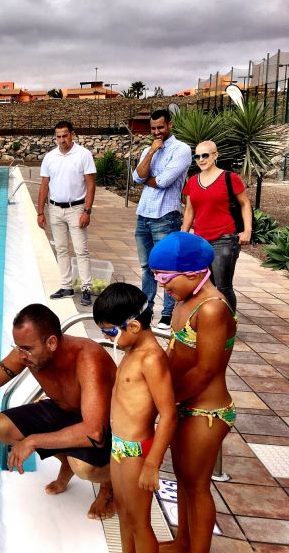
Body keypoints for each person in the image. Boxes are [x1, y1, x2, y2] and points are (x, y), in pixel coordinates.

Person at [0, 303, 117, 519]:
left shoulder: (88, 359)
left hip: (103, 425)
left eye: (27, 348)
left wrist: (33, 440)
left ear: (51, 342)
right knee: (2, 427)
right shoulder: (27, 354)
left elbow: (94, 432)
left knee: (84, 467)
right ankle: (66, 463)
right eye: (18, 347)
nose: (21, 355)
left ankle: (109, 486)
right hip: (63, 410)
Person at [148, 232, 237, 553]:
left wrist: (166, 400)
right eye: (157, 277)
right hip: (185, 405)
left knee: (197, 486)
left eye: (166, 278)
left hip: (206, 412)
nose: (161, 285)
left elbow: (205, 370)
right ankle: (183, 541)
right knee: (183, 482)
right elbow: (176, 353)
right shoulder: (186, 301)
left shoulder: (212, 309)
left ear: (195, 273)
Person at [94, 283, 176, 553]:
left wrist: (153, 464)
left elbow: (168, 414)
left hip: (137, 452)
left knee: (140, 522)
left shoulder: (151, 359)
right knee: (124, 513)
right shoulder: (132, 351)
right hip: (119, 447)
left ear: (133, 327)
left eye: (109, 331)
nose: (107, 337)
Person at [132, 109, 192, 330]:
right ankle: (145, 311)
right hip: (144, 215)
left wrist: (146, 178)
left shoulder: (182, 150)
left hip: (165, 216)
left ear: (170, 125)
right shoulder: (150, 149)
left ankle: (167, 313)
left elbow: (165, 181)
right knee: (147, 266)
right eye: (153, 128)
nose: (156, 132)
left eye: (160, 127)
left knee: (166, 268)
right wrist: (151, 154)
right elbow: (136, 177)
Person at [181, 140, 252, 311]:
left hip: (225, 239)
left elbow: (245, 204)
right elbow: (190, 211)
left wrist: (247, 231)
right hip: (200, 241)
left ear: (215, 155)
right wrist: (183, 235)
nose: (201, 159)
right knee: (203, 286)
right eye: (197, 156)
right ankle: (209, 321)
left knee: (223, 287)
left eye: (205, 155)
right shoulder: (192, 181)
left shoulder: (229, 178)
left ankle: (228, 327)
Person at [37, 120, 97, 307]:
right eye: (58, 136)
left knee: (81, 250)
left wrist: (87, 211)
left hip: (76, 208)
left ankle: (86, 287)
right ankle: (66, 286)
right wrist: (40, 212)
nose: (61, 140)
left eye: (65, 135)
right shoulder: (50, 157)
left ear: (72, 134)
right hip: (55, 208)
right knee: (61, 249)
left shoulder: (83, 154)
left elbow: (90, 184)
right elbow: (44, 185)